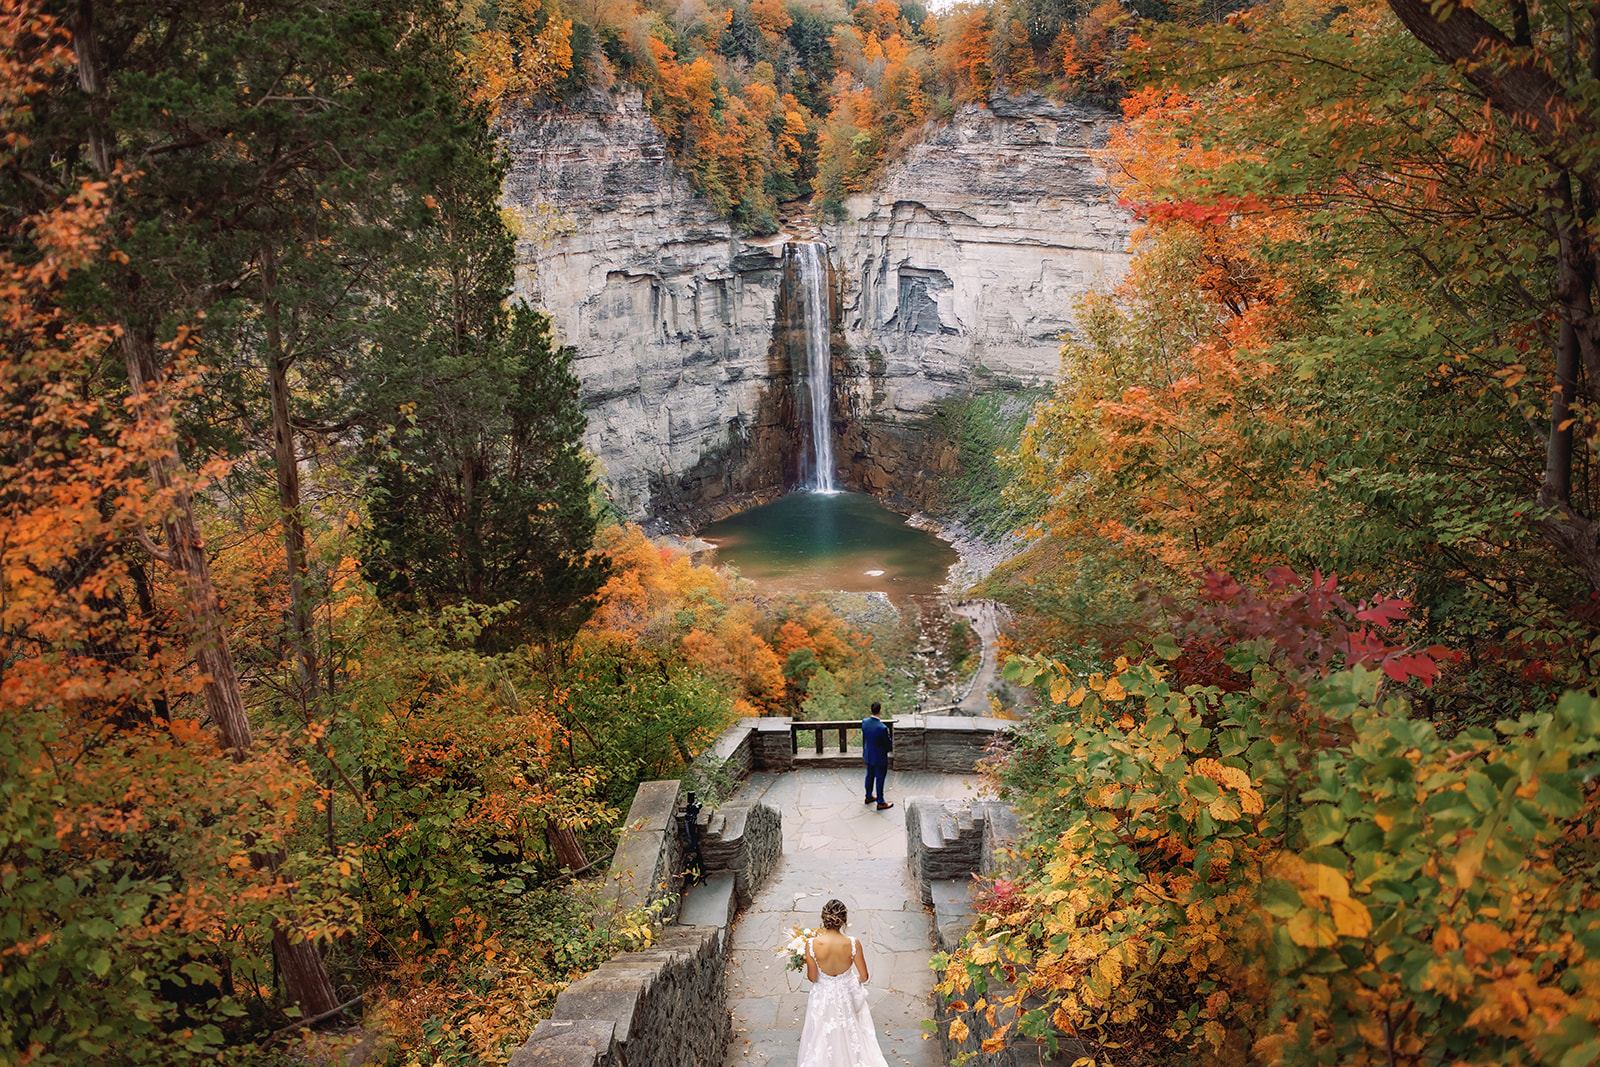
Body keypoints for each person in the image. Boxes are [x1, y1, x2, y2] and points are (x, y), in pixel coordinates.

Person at [797, 899, 888, 1067]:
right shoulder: (853, 943)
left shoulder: (811, 944)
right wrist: (851, 981)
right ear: (844, 920)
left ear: (823, 918)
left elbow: (812, 977)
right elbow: (864, 976)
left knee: (820, 1033)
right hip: (846, 993)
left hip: (823, 994)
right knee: (850, 1029)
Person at [861, 702, 892, 810]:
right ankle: (880, 802)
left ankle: (868, 796)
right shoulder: (882, 728)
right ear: (880, 711)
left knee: (869, 776)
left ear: (871, 710)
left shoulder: (864, 722)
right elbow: (887, 745)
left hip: (868, 754)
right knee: (880, 779)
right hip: (879, 757)